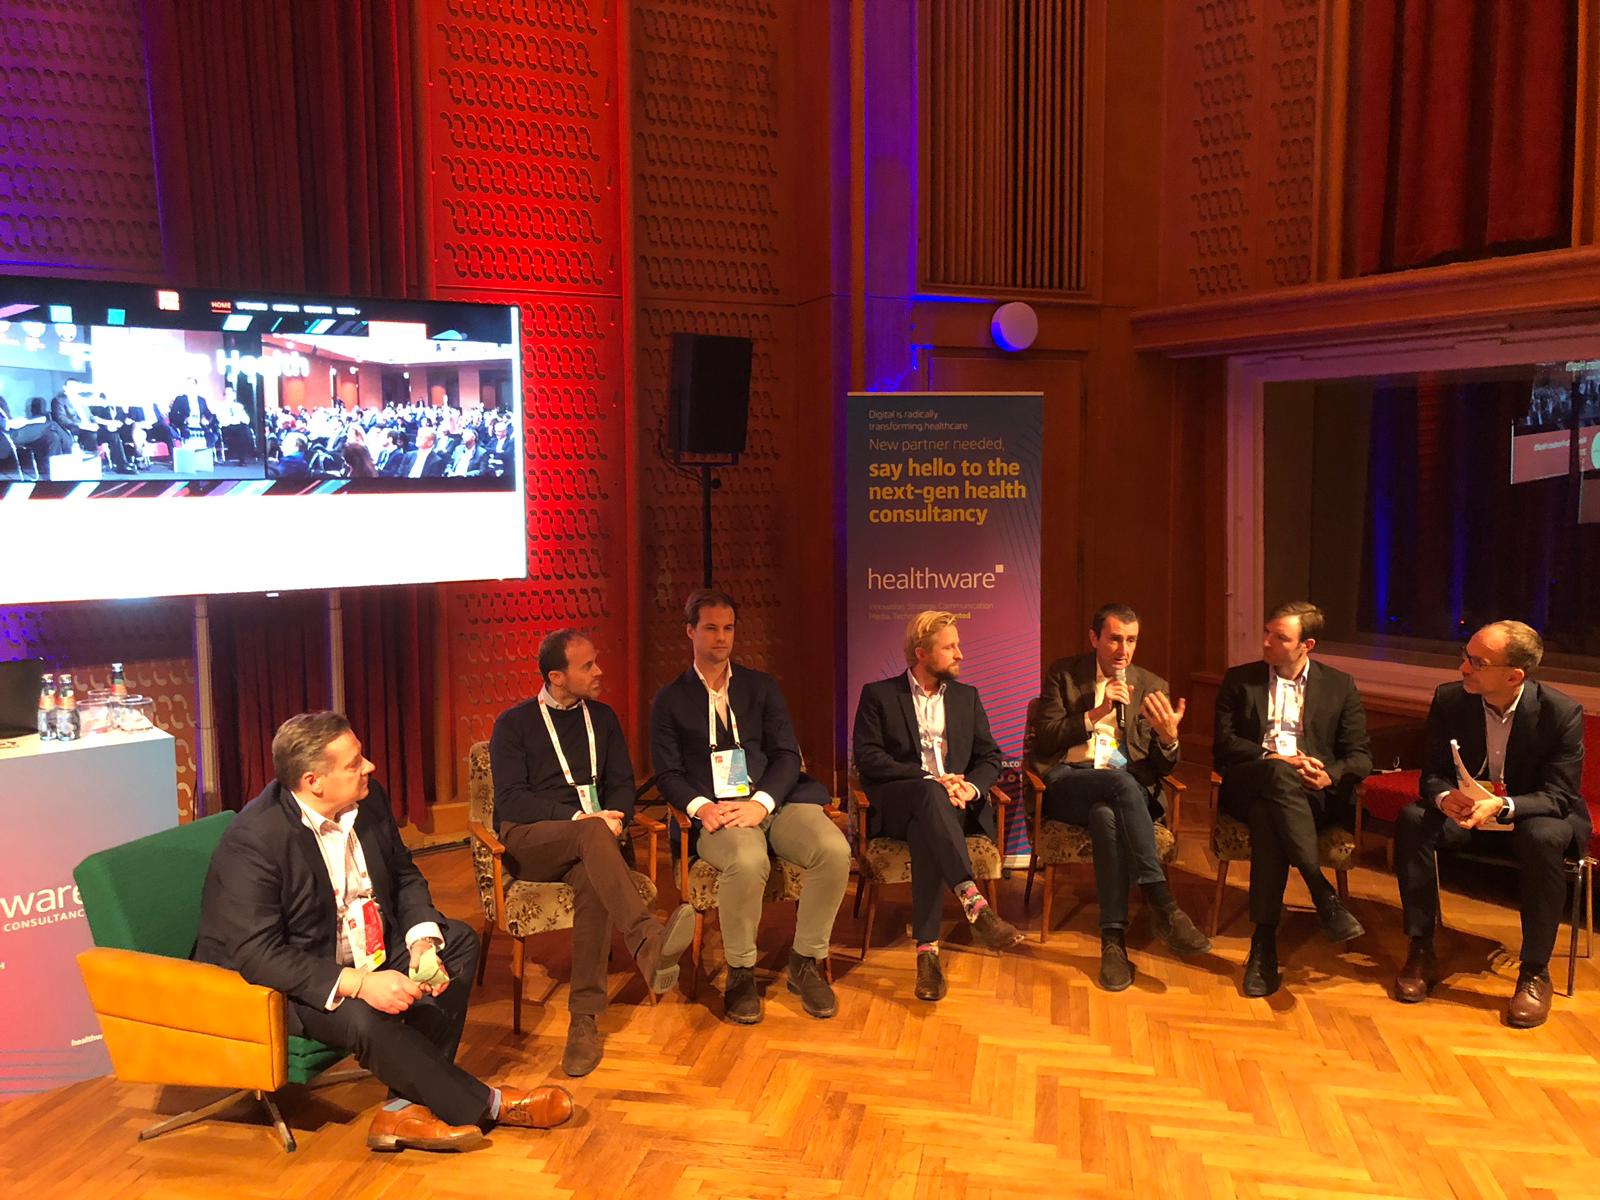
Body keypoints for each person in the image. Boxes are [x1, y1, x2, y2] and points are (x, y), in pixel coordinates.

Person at [193, 712, 573, 1151]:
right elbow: (258, 954)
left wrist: (421, 940)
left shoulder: (369, 800)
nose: (370, 767)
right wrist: (361, 984)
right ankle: (490, 1105)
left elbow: (403, 873)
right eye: (354, 763)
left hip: (362, 948)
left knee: (458, 943)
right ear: (314, 781)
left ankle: (402, 1109)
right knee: (363, 1015)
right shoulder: (256, 840)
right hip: (288, 978)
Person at [490, 629, 695, 1076]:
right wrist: (581, 818)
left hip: (593, 840)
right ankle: (647, 940)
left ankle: (583, 1019)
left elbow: (621, 782)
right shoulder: (514, 723)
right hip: (531, 839)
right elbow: (511, 801)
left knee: (592, 880)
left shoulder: (602, 718)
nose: (600, 671)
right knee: (591, 834)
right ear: (557, 677)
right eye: (588, 666)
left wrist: (616, 816)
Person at [650, 589, 850, 1024]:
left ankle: (805, 962)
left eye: (728, 628)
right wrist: (702, 807)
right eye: (711, 628)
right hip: (718, 812)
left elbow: (786, 755)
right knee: (746, 858)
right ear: (690, 632)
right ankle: (740, 972)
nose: (721, 638)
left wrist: (762, 803)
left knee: (835, 851)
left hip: (775, 800)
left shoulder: (761, 687)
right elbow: (667, 774)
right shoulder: (669, 700)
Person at [1393, 620, 1589, 1028]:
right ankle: (1421, 948)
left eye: (1477, 663)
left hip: (1531, 816)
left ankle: (1534, 972)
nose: (1463, 668)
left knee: (1543, 836)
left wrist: (1501, 805)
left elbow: (1558, 796)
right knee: (1414, 819)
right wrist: (1445, 798)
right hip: (1468, 815)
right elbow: (1432, 775)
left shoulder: (1560, 712)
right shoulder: (1450, 699)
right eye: (1465, 656)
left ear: (1514, 676)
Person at [1032, 603, 1210, 990]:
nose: (1123, 650)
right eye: (1114, 639)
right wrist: (1097, 712)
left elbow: (1161, 767)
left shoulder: (1152, 686)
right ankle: (1162, 903)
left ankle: (1112, 942)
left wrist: (1169, 739)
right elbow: (1044, 738)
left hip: (1122, 792)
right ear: (1094, 638)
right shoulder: (1064, 675)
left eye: (1131, 640)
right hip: (1070, 780)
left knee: (1106, 814)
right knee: (1120, 785)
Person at [853, 611, 1025, 1003]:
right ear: (922, 653)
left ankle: (927, 954)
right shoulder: (879, 695)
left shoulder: (967, 697)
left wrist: (970, 787)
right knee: (928, 795)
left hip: (952, 808)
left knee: (926, 828)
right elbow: (869, 757)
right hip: (899, 804)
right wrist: (927, 778)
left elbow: (990, 757)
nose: (960, 654)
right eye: (950, 647)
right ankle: (973, 902)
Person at [1214, 601, 1371, 998]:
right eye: (1267, 632)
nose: (1266, 641)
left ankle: (1263, 945)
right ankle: (1320, 891)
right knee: (1277, 774)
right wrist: (1272, 758)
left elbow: (1360, 757)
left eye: (1279, 637)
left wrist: (1328, 775)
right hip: (1250, 781)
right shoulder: (1240, 680)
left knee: (1269, 816)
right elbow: (1224, 745)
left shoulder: (1339, 686)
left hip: (1308, 794)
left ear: (1307, 645)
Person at [168, 376, 216, 444]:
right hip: (185, 426)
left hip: (200, 426)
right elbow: (172, 415)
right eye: (188, 385)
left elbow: (208, 414)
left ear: (195, 386)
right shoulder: (180, 399)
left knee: (213, 437)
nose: (190, 387)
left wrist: (207, 420)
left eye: (192, 384)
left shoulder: (201, 400)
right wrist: (184, 419)